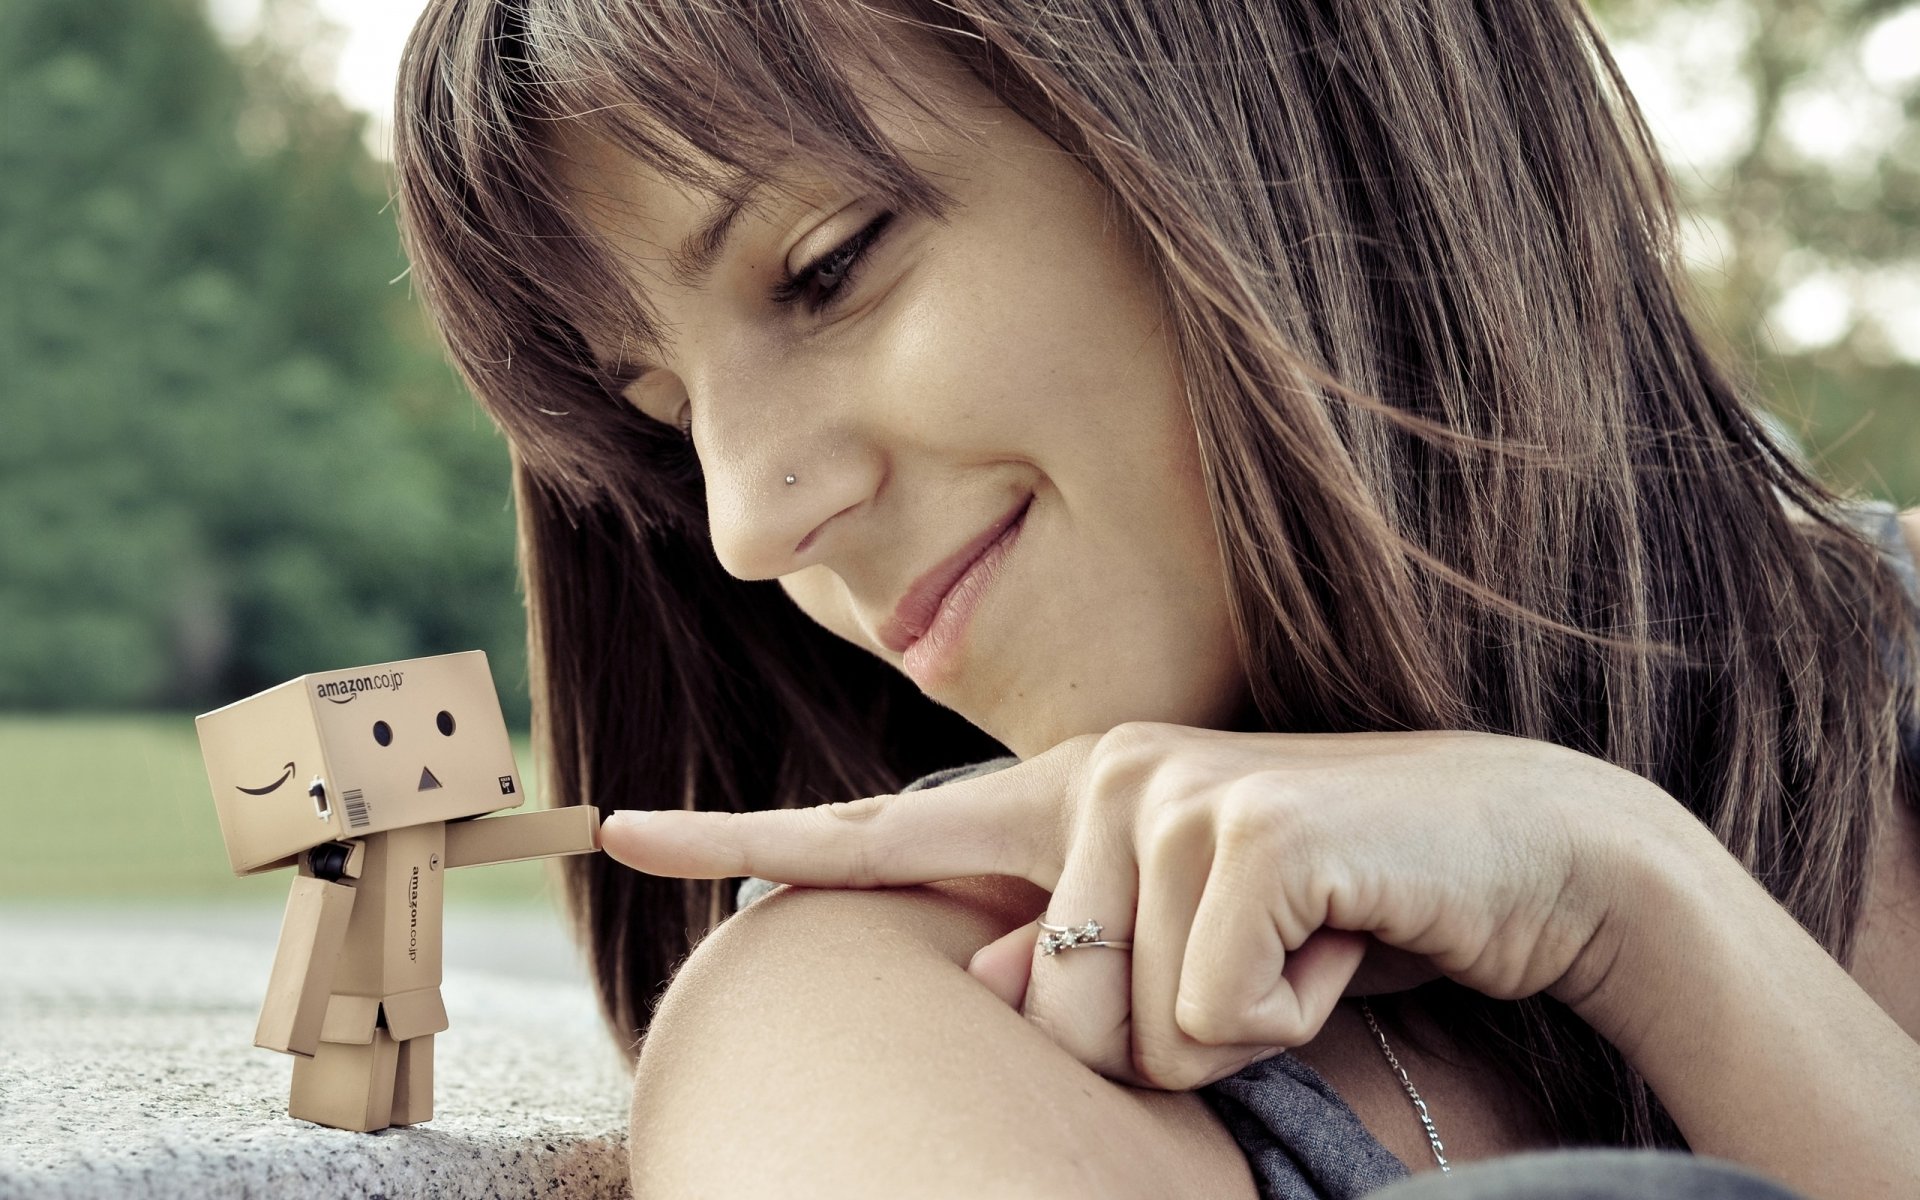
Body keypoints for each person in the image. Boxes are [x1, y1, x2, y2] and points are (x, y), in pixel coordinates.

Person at [389, 1, 1920, 1196]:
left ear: (1270, 101)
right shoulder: (894, 1023)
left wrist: (1630, 898)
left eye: (827, 267)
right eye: (662, 416)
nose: (742, 522)